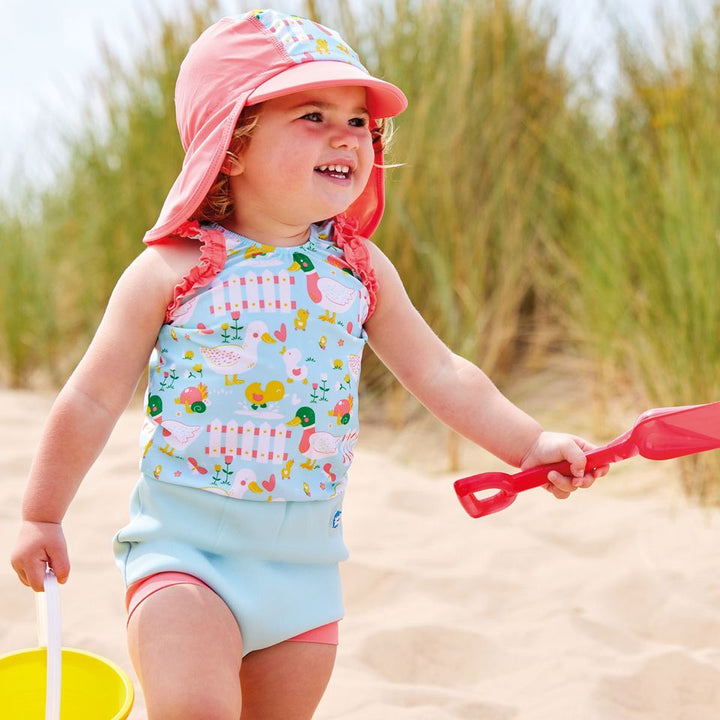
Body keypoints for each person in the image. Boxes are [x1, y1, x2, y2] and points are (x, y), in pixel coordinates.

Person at [10, 9, 607, 720]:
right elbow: (92, 398)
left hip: (305, 571)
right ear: (231, 143)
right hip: (185, 556)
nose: (347, 136)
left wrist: (530, 443)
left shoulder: (358, 269)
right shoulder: (173, 270)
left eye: (361, 122)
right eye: (314, 113)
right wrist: (42, 512)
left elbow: (442, 373)